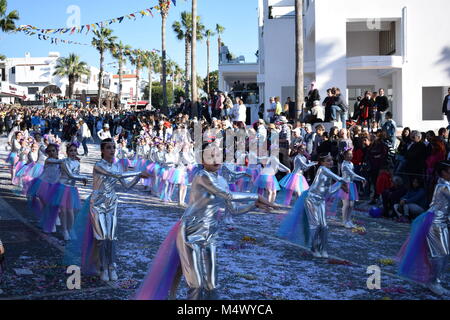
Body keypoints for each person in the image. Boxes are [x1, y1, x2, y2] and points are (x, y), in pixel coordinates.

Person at [134, 141, 276, 300]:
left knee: (212, 285)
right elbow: (228, 196)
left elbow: (233, 210)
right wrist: (256, 196)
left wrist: (254, 205)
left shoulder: (221, 181)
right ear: (202, 161)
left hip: (210, 235)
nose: (215, 159)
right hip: (191, 233)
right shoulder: (202, 176)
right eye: (210, 156)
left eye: (218, 155)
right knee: (196, 284)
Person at [69, 138, 151, 282]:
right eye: (108, 147)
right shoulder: (98, 165)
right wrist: (138, 172)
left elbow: (125, 186)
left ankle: (111, 266)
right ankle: (102, 268)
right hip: (97, 203)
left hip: (112, 203)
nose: (112, 150)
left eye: (113, 147)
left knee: (112, 237)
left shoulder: (116, 166)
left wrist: (138, 178)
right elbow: (117, 176)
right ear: (102, 150)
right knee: (101, 237)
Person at [278, 154, 348, 258]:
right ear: (322, 162)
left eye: (331, 160)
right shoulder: (322, 169)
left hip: (321, 201)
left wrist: (339, 186)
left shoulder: (328, 176)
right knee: (315, 225)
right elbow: (337, 177)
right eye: (328, 160)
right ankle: (314, 248)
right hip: (311, 199)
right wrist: (343, 180)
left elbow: (329, 192)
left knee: (324, 226)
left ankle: (323, 249)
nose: (331, 162)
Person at [397, 161, 450, 296]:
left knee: (445, 254)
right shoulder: (443, 186)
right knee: (439, 254)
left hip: (443, 223)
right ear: (443, 172)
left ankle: (435, 280)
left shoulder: (446, 184)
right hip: (435, 224)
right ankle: (432, 282)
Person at [338, 149, 367, 228]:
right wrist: (362, 178)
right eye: (349, 154)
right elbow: (352, 174)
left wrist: (361, 180)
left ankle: (349, 220)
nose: (351, 156)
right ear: (344, 155)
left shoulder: (351, 164)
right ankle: (344, 221)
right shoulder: (344, 165)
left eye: (351, 154)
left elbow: (352, 177)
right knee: (346, 204)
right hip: (345, 185)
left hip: (351, 185)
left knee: (351, 205)